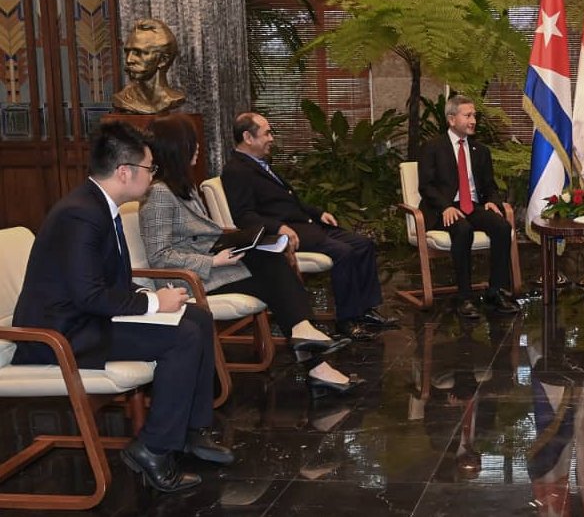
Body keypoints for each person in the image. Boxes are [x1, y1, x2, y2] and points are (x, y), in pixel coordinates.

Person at [10, 122, 229, 493]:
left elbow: (106, 284)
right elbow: (89, 296)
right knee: (183, 336)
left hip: (87, 318)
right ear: (125, 171)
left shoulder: (98, 206)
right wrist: (154, 301)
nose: (153, 176)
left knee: (198, 317)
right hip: (63, 331)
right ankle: (154, 447)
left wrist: (155, 301)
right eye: (149, 168)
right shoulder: (80, 213)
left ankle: (190, 431)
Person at [139, 114, 364, 397]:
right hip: (187, 281)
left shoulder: (183, 187)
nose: (198, 148)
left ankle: (308, 342)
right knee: (273, 268)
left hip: (210, 266)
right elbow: (159, 256)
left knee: (273, 257)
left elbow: (202, 234)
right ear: (176, 148)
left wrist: (243, 240)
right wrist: (213, 261)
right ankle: (310, 346)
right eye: (192, 143)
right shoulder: (159, 194)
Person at [221, 112, 394, 337]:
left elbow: (291, 200)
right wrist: (278, 228)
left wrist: (318, 212)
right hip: (288, 235)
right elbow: (243, 216)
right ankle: (347, 320)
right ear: (248, 137)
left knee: (364, 244)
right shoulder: (236, 171)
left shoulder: (262, 163)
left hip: (307, 225)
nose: (271, 138)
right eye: (267, 133)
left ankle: (366, 309)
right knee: (344, 252)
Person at [417, 94, 520, 319]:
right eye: (468, 115)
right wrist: (445, 206)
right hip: (444, 209)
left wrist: (492, 201)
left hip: (472, 205)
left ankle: (495, 292)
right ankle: (464, 297)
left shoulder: (480, 151)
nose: (473, 120)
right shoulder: (433, 147)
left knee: (503, 227)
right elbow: (426, 186)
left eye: (474, 115)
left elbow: (490, 186)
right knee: (462, 230)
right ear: (452, 119)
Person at [112, 19, 186, 114]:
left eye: (139, 53)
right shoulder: (123, 99)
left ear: (163, 60)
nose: (129, 60)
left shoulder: (172, 99)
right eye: (127, 52)